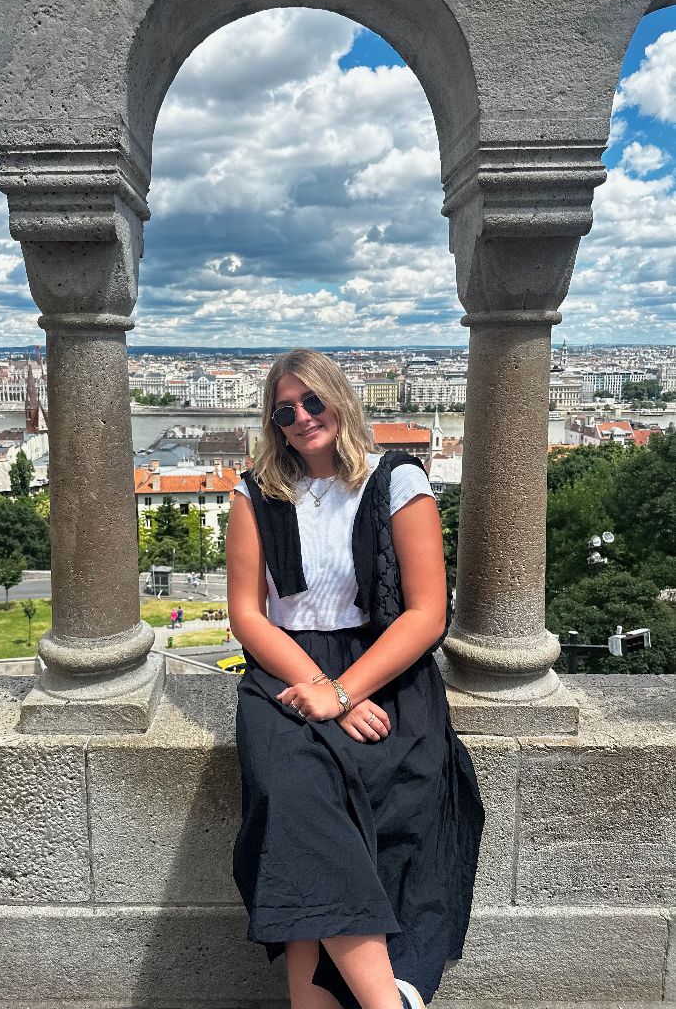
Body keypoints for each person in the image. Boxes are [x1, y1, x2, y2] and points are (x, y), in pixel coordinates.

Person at [227, 348, 485, 1009]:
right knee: (292, 795)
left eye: (313, 401)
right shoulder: (255, 492)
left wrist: (344, 692)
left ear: (340, 400)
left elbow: (428, 613)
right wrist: (323, 692)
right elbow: (247, 617)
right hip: (285, 671)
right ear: (274, 423)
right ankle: (384, 1002)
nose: (301, 418)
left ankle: (320, 1001)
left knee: (350, 799)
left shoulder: (398, 481)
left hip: (385, 666)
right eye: (285, 411)